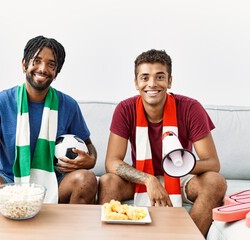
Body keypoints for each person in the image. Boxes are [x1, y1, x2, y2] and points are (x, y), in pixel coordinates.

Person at [97, 49, 226, 237]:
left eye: (159, 77)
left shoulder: (191, 108)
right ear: (136, 83)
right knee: (108, 181)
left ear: (169, 81)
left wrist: (177, 168)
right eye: (145, 77)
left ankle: (188, 238)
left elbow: (212, 162)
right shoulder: (125, 109)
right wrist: (148, 180)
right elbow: (111, 162)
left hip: (180, 174)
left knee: (215, 182)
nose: (152, 84)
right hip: (142, 174)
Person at [0, 35, 98, 204]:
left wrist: (92, 159)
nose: (43, 69)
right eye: (36, 61)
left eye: (51, 64)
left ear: (56, 72)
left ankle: (69, 230)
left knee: (87, 179)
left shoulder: (68, 105)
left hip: (55, 182)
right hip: (10, 182)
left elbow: (89, 145)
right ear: (24, 64)